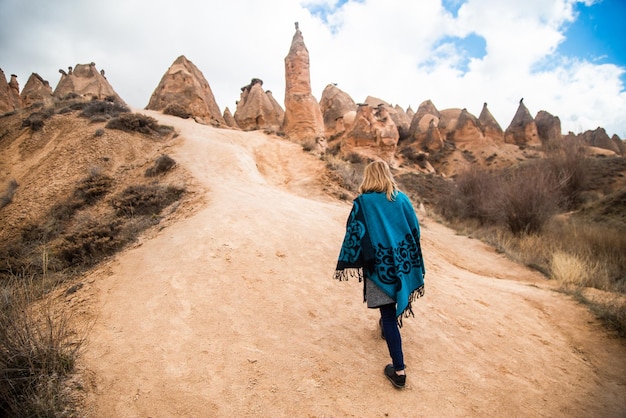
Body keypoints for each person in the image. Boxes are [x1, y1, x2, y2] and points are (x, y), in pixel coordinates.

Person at [334, 160, 425, 389]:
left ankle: (399, 371)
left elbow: (354, 232)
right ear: (387, 175)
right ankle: (386, 330)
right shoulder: (401, 199)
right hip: (402, 264)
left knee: (387, 312)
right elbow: (415, 229)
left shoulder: (363, 203)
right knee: (391, 307)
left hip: (379, 268)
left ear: (368, 177)